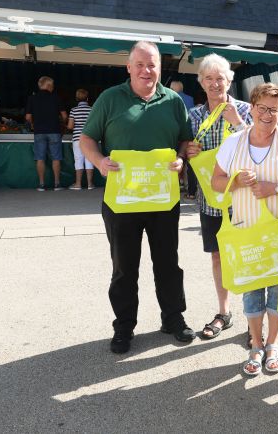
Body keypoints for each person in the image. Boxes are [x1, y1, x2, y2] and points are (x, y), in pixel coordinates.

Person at [80, 41, 196, 354]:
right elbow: (87, 139)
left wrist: (181, 160)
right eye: (140, 65)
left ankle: (173, 318)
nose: (147, 70)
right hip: (122, 202)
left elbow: (185, 139)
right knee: (124, 267)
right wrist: (100, 162)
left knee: (168, 263)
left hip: (162, 200)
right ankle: (123, 327)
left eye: (153, 64)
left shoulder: (172, 100)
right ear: (129, 68)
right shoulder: (110, 99)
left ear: (160, 67)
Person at [211, 83, 278, 376]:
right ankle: (255, 343)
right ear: (250, 109)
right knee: (252, 291)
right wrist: (236, 181)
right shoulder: (233, 143)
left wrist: (275, 187)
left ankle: (273, 344)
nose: (267, 115)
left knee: (277, 289)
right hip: (246, 231)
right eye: (261, 108)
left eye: (273, 110)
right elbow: (215, 181)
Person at [184, 53, 251, 340]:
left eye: (219, 78)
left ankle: (254, 319)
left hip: (244, 198)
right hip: (211, 199)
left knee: (250, 256)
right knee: (218, 256)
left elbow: (261, 147)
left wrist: (238, 123)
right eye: (208, 78)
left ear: (229, 80)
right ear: (201, 82)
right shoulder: (195, 115)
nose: (214, 84)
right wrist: (188, 151)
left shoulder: (247, 110)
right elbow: (186, 150)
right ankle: (224, 312)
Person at [26, 76, 67, 191]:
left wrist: (33, 124)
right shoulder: (56, 98)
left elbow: (28, 117)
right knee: (56, 158)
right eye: (52, 85)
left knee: (40, 158)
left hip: (39, 131)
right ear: (48, 85)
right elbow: (64, 116)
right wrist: (62, 125)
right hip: (54, 130)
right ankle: (57, 184)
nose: (53, 88)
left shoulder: (32, 98)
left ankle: (41, 184)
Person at [171, 80, 198, 199]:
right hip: (189, 135)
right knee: (188, 163)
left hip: (174, 134)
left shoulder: (169, 98)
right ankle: (189, 189)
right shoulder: (190, 98)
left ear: (171, 88)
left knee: (173, 160)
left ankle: (175, 185)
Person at [67, 89, 94, 190]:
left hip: (77, 138)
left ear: (76, 99)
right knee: (89, 160)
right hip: (90, 138)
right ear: (87, 99)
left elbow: (70, 126)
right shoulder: (92, 109)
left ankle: (78, 184)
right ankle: (90, 184)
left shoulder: (74, 110)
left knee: (78, 160)